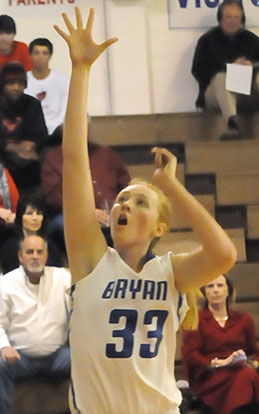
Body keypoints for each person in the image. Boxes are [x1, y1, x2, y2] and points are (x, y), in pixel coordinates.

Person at [54, 7, 237, 414]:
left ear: (159, 227)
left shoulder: (171, 273)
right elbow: (72, 161)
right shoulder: (90, 260)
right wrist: (81, 70)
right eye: (121, 198)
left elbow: (224, 254)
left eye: (140, 201)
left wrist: (171, 186)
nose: (123, 203)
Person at [0, 234, 71, 414]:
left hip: (58, 357)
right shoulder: (6, 283)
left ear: (46, 256)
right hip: (19, 358)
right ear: (20, 256)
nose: (35, 256)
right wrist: (4, 347)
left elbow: (78, 307)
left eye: (39, 252)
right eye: (29, 252)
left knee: (87, 359)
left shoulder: (62, 278)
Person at [40, 122, 130, 248]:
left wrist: (118, 207)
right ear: (63, 130)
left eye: (83, 126)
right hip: (70, 214)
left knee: (133, 221)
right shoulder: (54, 158)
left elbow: (125, 183)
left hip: (110, 211)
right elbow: (53, 197)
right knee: (65, 226)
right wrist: (86, 212)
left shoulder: (106, 153)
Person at [182, 274, 259, 414]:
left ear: (228, 291)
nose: (215, 290)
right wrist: (219, 363)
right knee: (248, 377)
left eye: (220, 285)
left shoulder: (243, 319)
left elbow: (254, 352)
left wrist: (251, 362)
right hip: (211, 374)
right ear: (205, 293)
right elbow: (191, 356)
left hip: (240, 369)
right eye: (210, 286)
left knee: (248, 374)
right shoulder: (196, 319)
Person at [192, 0, 259, 137]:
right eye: (228, 17)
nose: (232, 21)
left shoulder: (252, 40)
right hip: (217, 94)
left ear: (242, 20)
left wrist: (251, 67)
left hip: (246, 91)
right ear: (220, 18)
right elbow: (198, 70)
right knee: (222, 78)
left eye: (236, 17)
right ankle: (232, 124)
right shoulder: (207, 40)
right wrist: (229, 68)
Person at [0, 62, 48, 191]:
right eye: (11, 83)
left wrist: (31, 146)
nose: (16, 87)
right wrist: (13, 147)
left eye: (20, 83)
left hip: (28, 161)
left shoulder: (32, 104)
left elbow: (41, 135)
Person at [0, 191, 65, 274]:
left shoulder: (52, 248)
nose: (35, 218)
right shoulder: (9, 248)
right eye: (29, 213)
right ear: (20, 216)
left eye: (39, 213)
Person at [25, 38, 69, 137]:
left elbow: (65, 112)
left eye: (44, 53)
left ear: (50, 56)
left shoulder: (62, 81)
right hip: (29, 133)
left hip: (57, 132)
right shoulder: (23, 80)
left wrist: (51, 128)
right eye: (36, 53)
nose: (40, 57)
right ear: (30, 55)